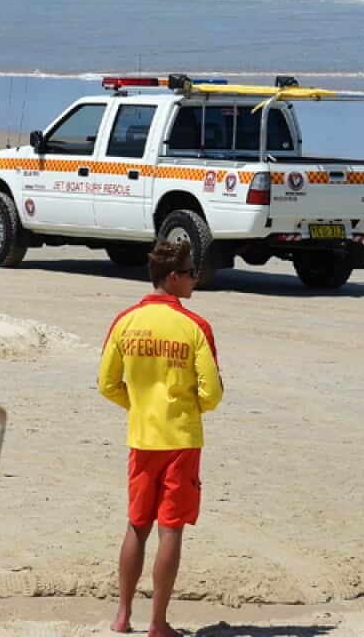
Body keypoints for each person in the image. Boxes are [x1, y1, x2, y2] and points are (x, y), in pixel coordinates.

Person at [98, 240, 223, 637]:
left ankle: (122, 616)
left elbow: (106, 384)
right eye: (189, 273)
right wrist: (188, 408)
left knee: (137, 525)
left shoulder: (125, 322)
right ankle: (157, 623)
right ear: (172, 277)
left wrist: (138, 406)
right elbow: (213, 393)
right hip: (180, 439)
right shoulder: (194, 327)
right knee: (171, 529)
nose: (195, 280)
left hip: (141, 438)